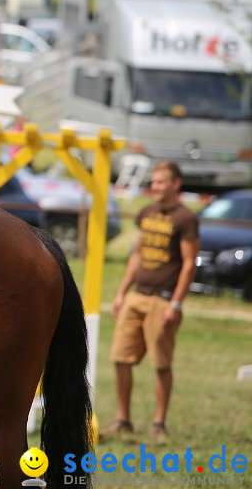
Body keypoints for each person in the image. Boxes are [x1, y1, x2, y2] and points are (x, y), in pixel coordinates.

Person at [105, 160, 198, 440]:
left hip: (164, 300)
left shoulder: (185, 218)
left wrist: (176, 303)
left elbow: (190, 263)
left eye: (161, 182)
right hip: (137, 296)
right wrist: (122, 293)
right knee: (120, 358)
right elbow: (137, 254)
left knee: (161, 364)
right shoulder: (147, 212)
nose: (155, 187)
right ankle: (123, 418)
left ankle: (159, 424)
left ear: (175, 184)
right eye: (153, 182)